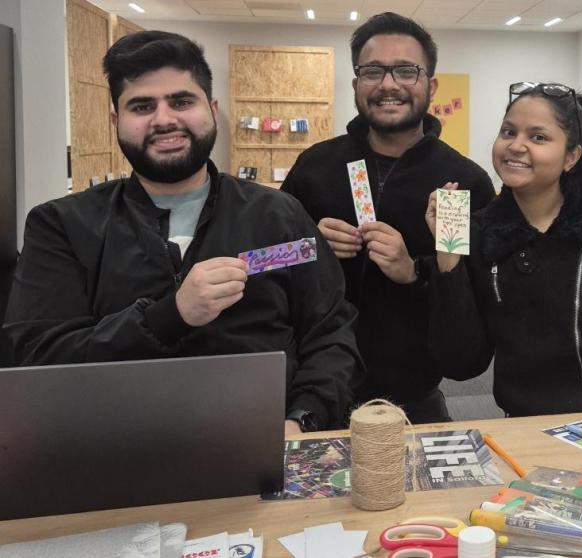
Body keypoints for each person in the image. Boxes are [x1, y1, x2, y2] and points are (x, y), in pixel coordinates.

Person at [3, 31, 363, 435]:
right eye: (142, 105)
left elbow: (330, 331)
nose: (164, 119)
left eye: (181, 101)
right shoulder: (63, 227)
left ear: (211, 109)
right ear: (115, 120)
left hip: (267, 452)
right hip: (110, 461)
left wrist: (303, 417)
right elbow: (36, 360)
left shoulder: (278, 216)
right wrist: (168, 316)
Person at [281, 12, 495, 423]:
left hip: (413, 400)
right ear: (356, 84)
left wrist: (413, 271)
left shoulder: (461, 182)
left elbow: (472, 302)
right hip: (311, 396)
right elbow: (261, 263)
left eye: (405, 71)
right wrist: (310, 248)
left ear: (430, 84)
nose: (388, 84)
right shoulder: (314, 167)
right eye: (373, 71)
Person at [426, 83, 582, 416]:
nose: (516, 146)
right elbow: (462, 362)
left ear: (571, 156)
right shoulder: (480, 231)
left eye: (538, 137)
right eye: (508, 132)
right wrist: (448, 255)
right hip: (526, 424)